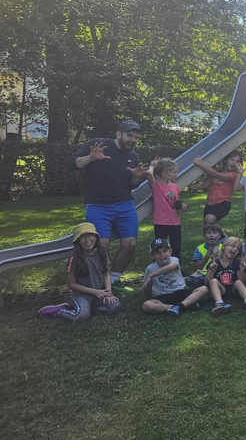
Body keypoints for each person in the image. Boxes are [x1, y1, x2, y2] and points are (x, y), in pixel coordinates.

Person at [69, 120, 147, 285]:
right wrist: (90, 157)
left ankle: (114, 279)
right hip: (98, 205)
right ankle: (97, 280)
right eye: (129, 135)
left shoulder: (133, 157)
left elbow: (130, 184)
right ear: (118, 134)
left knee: (130, 244)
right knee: (101, 245)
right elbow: (73, 164)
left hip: (124, 204)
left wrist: (136, 177)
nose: (133, 140)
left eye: (136, 137)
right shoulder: (98, 144)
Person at [38, 223, 123, 321]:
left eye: (90, 235)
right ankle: (59, 310)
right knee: (81, 316)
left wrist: (108, 292)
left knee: (115, 306)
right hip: (82, 296)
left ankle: (89, 309)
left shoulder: (102, 254)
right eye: (83, 237)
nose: (87, 240)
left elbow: (106, 274)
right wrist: (95, 292)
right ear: (78, 241)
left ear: (95, 237)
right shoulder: (74, 259)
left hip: (100, 293)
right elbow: (71, 284)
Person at [141, 238, 208, 316]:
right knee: (146, 305)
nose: (162, 254)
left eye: (164, 251)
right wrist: (149, 293)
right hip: (163, 296)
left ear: (170, 252)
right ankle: (181, 306)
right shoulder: (150, 268)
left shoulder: (173, 260)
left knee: (204, 289)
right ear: (152, 256)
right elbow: (147, 288)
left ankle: (179, 307)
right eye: (157, 253)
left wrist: (152, 275)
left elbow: (172, 267)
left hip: (180, 292)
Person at [145, 157, 188, 262]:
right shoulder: (156, 186)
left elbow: (176, 204)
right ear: (165, 173)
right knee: (160, 248)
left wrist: (182, 207)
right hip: (161, 222)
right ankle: (158, 267)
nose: (176, 174)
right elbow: (149, 173)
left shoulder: (175, 187)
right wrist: (152, 165)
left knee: (176, 247)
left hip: (175, 222)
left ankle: (176, 267)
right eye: (174, 172)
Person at [206, 236, 246, 316]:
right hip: (221, 289)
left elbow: (242, 281)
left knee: (238, 282)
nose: (235, 249)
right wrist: (212, 271)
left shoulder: (237, 262)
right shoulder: (215, 262)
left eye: (238, 249)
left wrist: (242, 270)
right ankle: (219, 303)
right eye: (232, 246)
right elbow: (206, 282)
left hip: (233, 289)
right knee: (213, 281)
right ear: (224, 246)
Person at [192, 150, 243, 225]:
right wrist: (193, 186)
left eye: (237, 161)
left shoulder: (233, 175)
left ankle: (218, 232)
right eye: (231, 159)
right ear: (225, 160)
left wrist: (201, 164)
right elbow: (205, 185)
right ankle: (219, 233)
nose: (233, 163)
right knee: (208, 226)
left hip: (223, 203)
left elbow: (217, 175)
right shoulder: (215, 170)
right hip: (209, 203)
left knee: (209, 219)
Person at [186, 222, 224, 289]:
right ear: (204, 236)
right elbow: (199, 267)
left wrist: (216, 255)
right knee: (195, 282)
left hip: (219, 273)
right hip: (202, 274)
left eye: (215, 233)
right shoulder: (199, 248)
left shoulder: (224, 247)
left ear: (219, 235)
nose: (211, 235)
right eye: (208, 233)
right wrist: (207, 255)